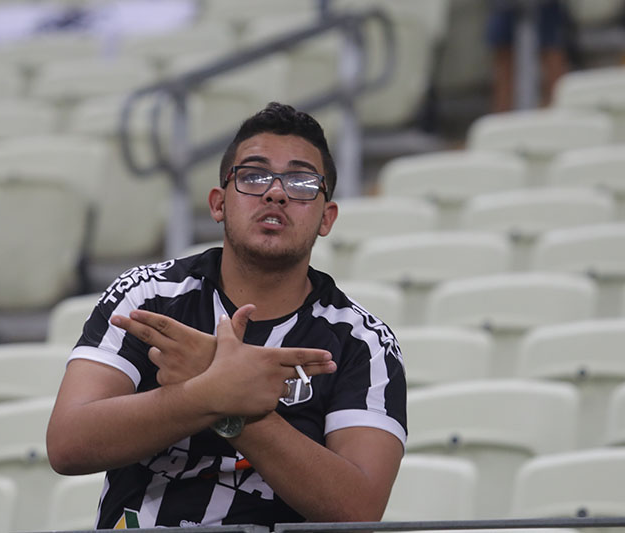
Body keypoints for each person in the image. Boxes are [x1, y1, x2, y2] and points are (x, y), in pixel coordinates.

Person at [47, 102, 407, 529]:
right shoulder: (148, 294)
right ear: (218, 203)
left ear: (326, 217)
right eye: (253, 176)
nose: (276, 193)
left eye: (301, 181)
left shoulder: (362, 343)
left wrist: (232, 407)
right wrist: (208, 393)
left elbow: (358, 509)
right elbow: (68, 443)